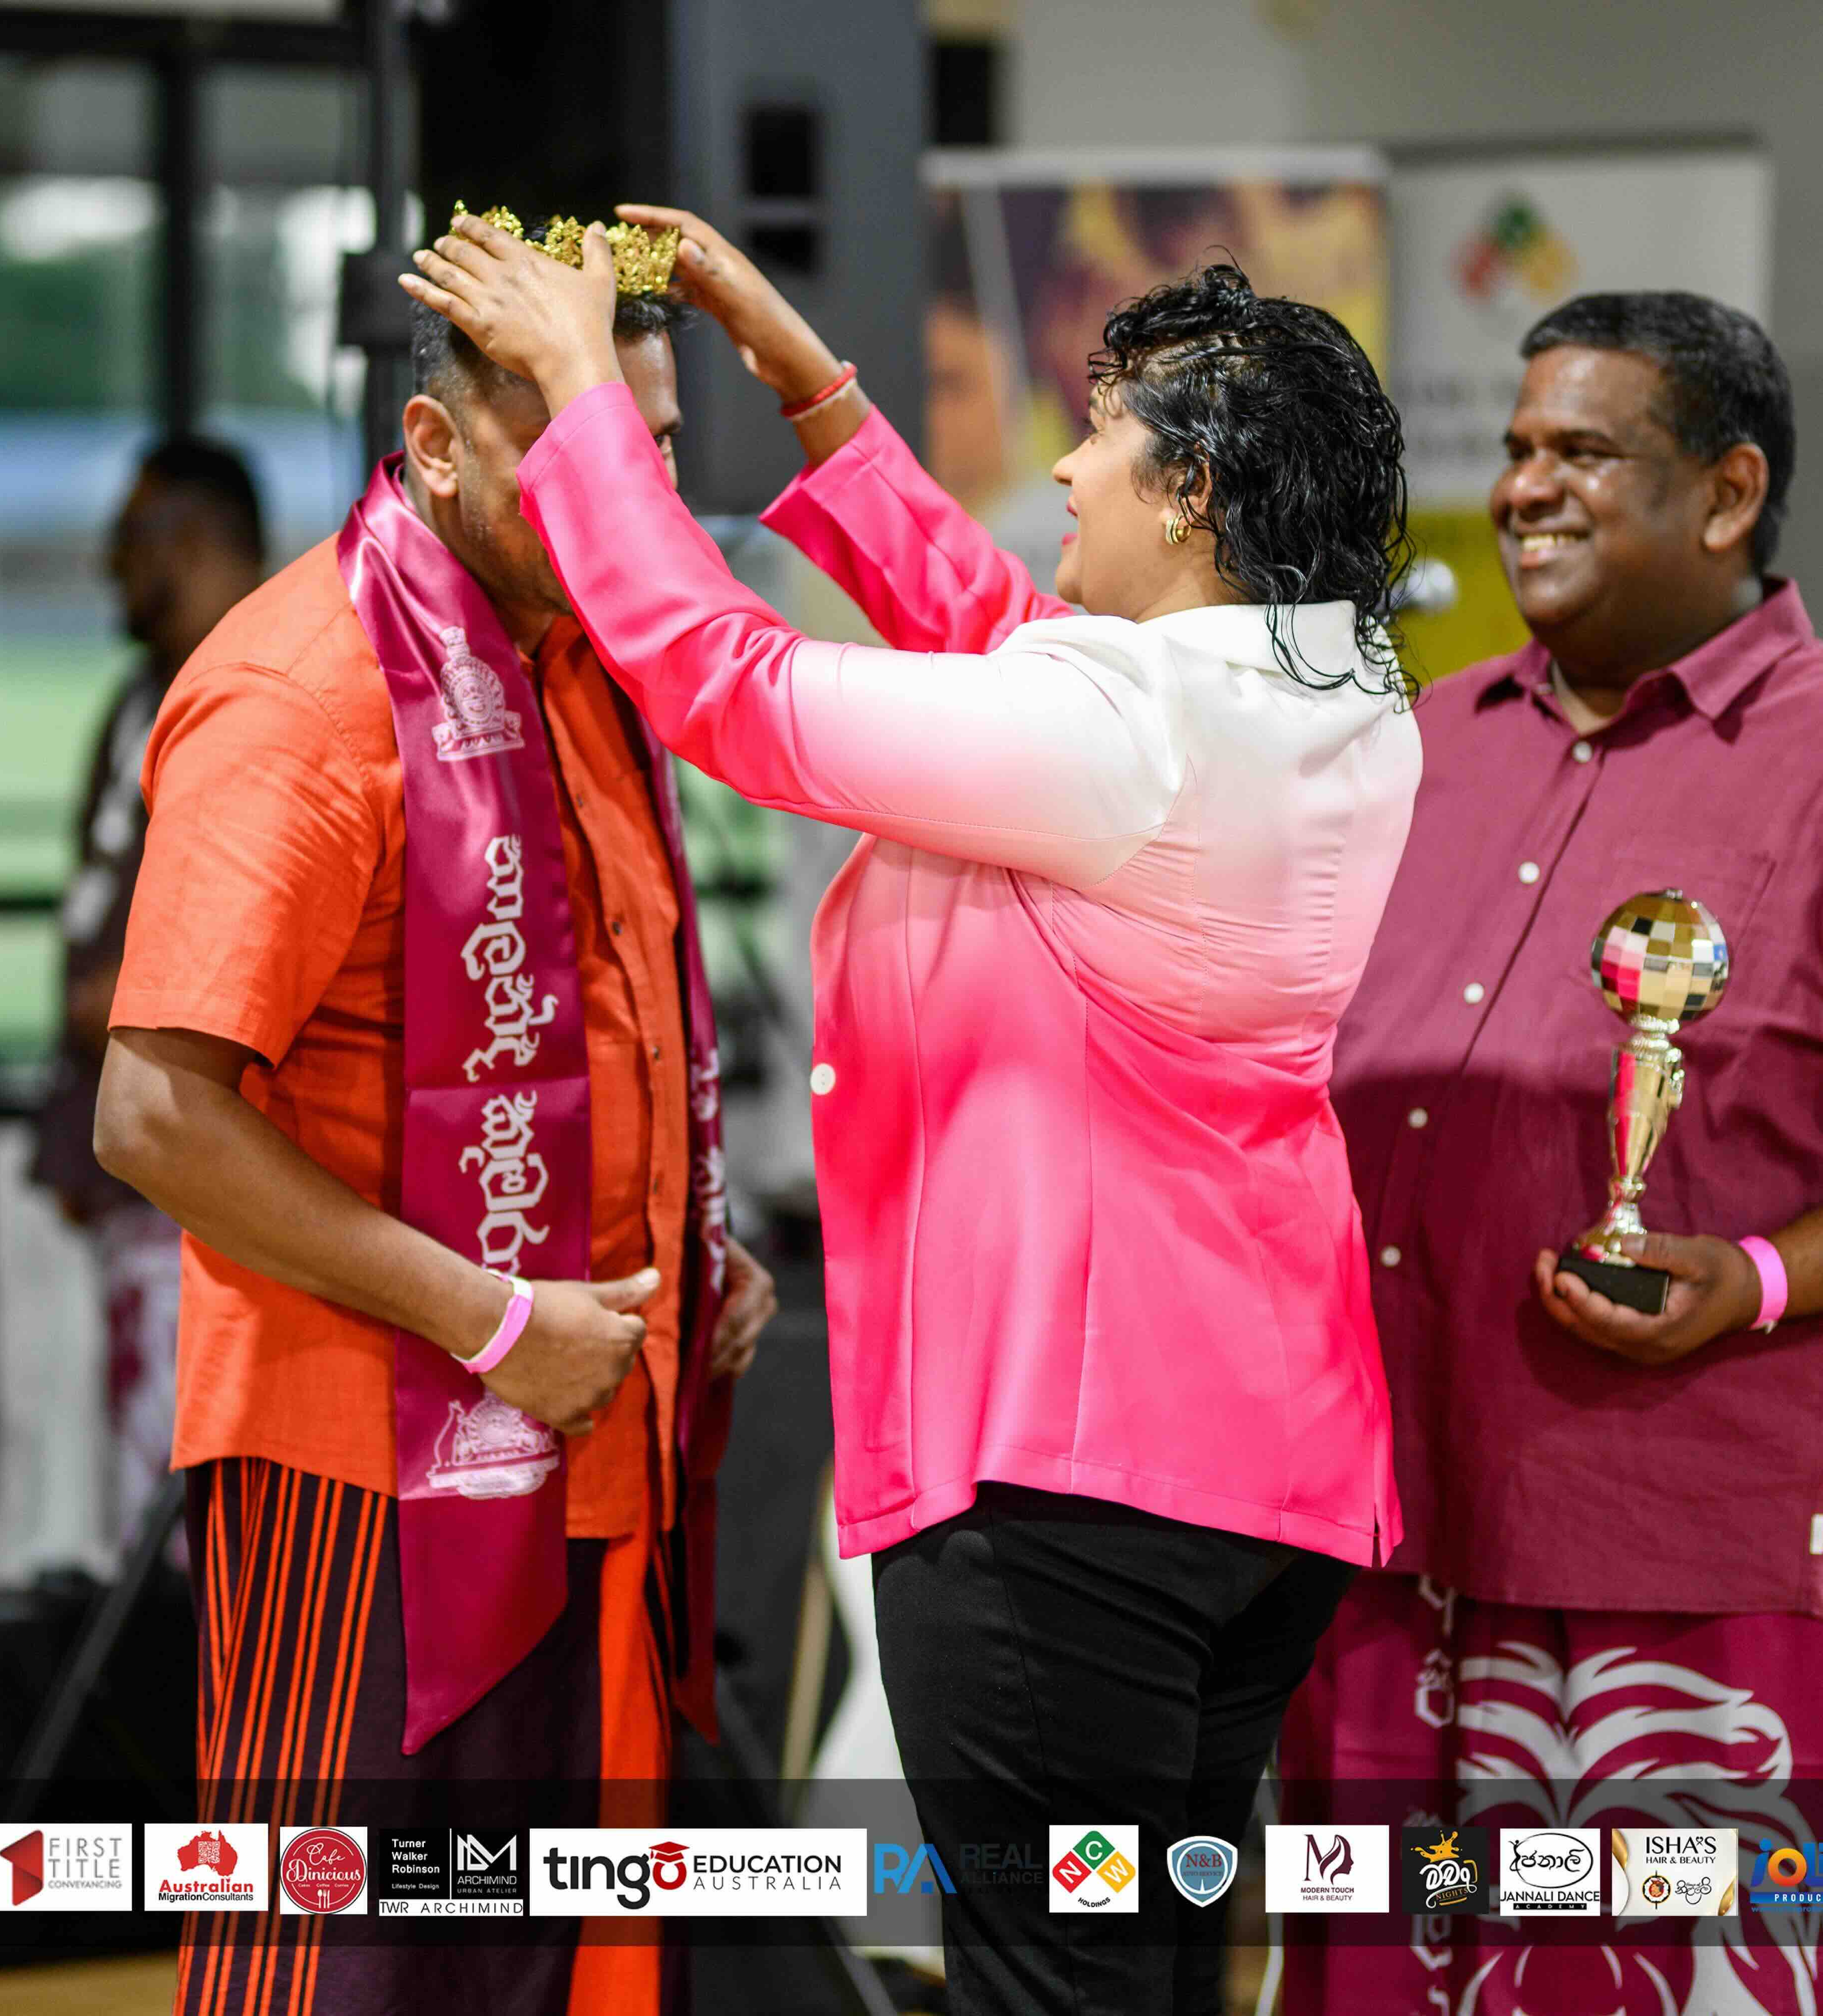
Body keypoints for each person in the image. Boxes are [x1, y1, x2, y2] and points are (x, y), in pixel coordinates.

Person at [404, 206, 1420, 2016]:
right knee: (1145, 1965)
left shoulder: (1128, 729)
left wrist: (577, 390)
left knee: (1046, 1982)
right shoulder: (1327, 694)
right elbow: (1001, 633)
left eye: (1098, 436)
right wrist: (800, 377)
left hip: (1072, 1491)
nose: (1060, 463)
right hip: (1252, 1476)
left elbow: (735, 687)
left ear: (1186, 492)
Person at [1282, 294, 1823, 2016]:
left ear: (1724, 495)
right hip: (1375, 1546)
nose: (1522, 489)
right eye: (1512, 451)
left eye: (1577, 453)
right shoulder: (1421, 745)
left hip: (1680, 1568)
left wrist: (1753, 1276)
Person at [91, 213, 778, 2016]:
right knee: (350, 1968)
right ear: (435, 446)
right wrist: (484, 1314)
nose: (634, 494)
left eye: (655, 451)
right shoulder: (300, 689)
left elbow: (611, 1030)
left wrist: (699, 1235)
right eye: (580, 444)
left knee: (563, 1972)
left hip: (594, 1436)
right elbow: (152, 1114)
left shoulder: (590, 661)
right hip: (370, 1464)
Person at [31, 436, 267, 1536]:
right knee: (138, 1482)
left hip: (207, 1156)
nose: (110, 571)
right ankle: (157, 1697)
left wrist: (130, 995)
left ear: (193, 536)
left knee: (192, 1495)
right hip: (128, 1149)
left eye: (128, 544)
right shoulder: (144, 692)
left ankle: (197, 1701)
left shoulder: (268, 687)